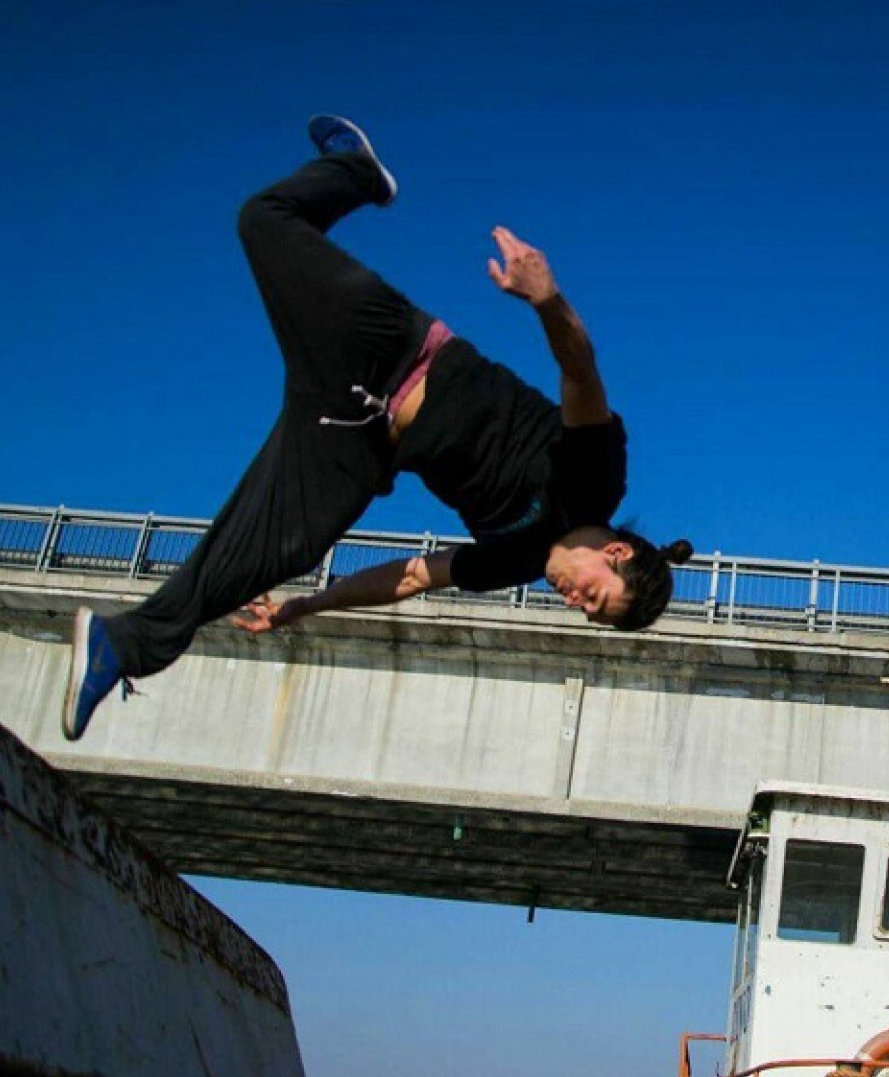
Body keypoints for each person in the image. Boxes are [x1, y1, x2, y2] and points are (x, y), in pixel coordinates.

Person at [61, 115, 692, 741]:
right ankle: (353, 171)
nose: (575, 603)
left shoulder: (516, 562)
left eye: (589, 616)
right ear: (615, 553)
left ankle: (124, 643)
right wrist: (548, 300)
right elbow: (580, 373)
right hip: (390, 350)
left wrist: (310, 603)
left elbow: (411, 577)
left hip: (357, 434)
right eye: (595, 599)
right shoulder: (594, 482)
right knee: (263, 222)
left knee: (285, 545)